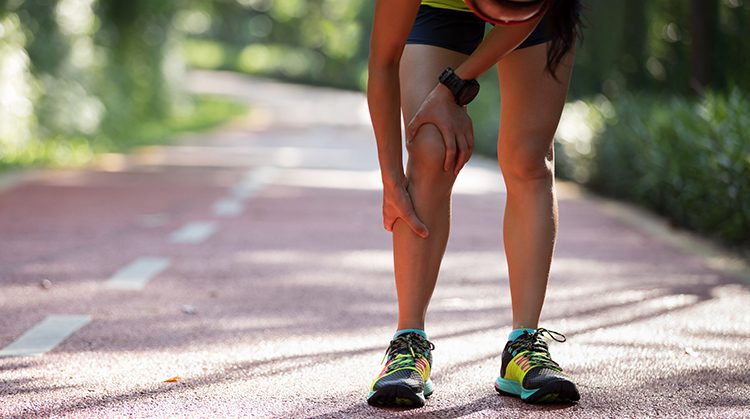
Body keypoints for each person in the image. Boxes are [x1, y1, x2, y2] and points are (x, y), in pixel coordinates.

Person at [366, 0, 582, 407]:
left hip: (541, 13)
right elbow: (382, 62)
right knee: (431, 146)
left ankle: (524, 344)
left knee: (529, 159)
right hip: (438, 7)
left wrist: (454, 86)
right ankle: (408, 342)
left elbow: (527, 13)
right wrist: (392, 180)